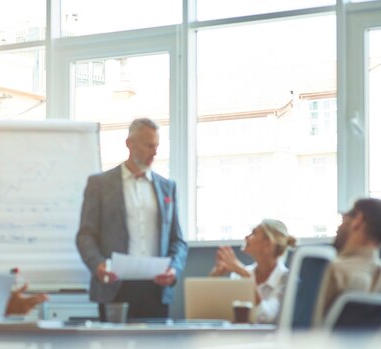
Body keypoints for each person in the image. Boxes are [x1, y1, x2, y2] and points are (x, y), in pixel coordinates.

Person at [76, 118, 188, 320]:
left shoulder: (167, 187)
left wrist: (174, 269)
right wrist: (98, 265)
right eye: (148, 145)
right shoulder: (100, 184)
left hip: (157, 288)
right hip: (114, 286)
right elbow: (86, 235)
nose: (154, 152)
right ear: (129, 143)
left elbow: (177, 240)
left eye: (156, 146)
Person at [209, 219, 296, 324]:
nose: (246, 237)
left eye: (253, 233)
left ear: (268, 244)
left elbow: (267, 318)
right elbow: (222, 313)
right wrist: (214, 277)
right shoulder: (240, 274)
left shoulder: (286, 279)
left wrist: (247, 277)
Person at [313, 198, 381, 326]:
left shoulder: (333, 271)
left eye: (343, 217)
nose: (339, 226)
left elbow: (308, 330)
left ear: (358, 220)